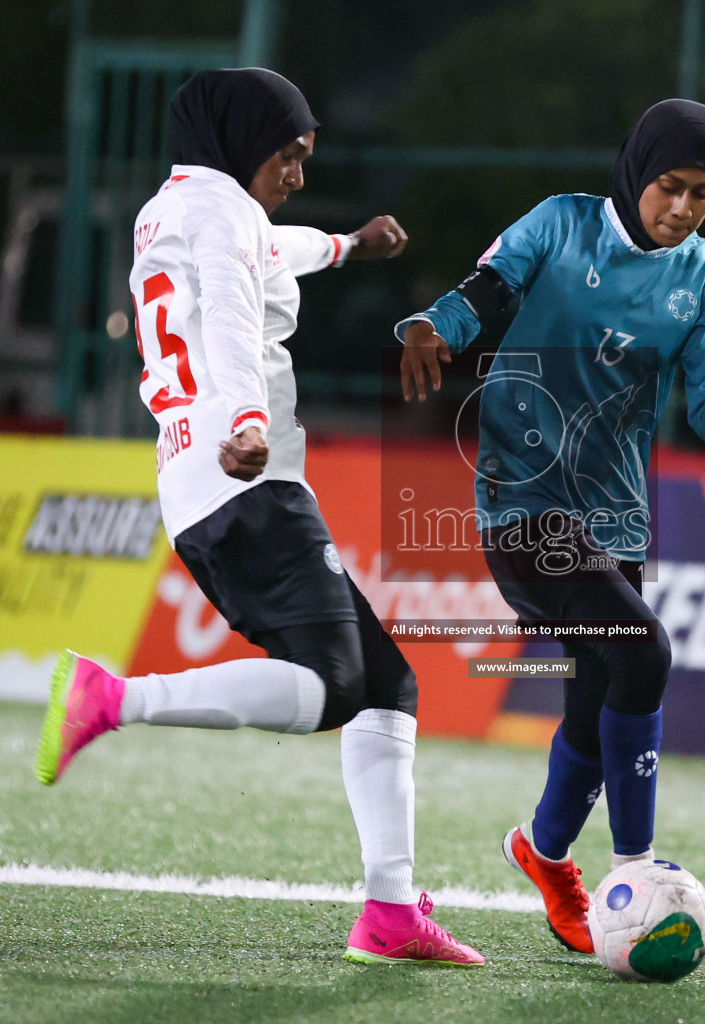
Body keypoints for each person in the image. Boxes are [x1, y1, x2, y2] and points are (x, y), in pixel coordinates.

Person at [34, 68, 483, 967]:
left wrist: (347, 247)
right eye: (291, 155)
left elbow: (267, 254)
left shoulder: (176, 209)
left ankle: (390, 913)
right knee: (333, 687)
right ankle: (112, 698)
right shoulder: (224, 217)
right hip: (243, 481)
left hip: (210, 486)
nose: (298, 174)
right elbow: (237, 318)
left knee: (387, 686)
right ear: (247, 144)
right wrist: (244, 424)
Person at [397, 99, 705, 952]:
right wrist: (427, 327)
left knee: (598, 707)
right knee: (645, 652)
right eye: (669, 187)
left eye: (702, 194)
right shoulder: (558, 227)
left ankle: (543, 851)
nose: (681, 208)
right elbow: (478, 295)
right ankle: (636, 867)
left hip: (616, 522)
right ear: (637, 171)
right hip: (523, 502)